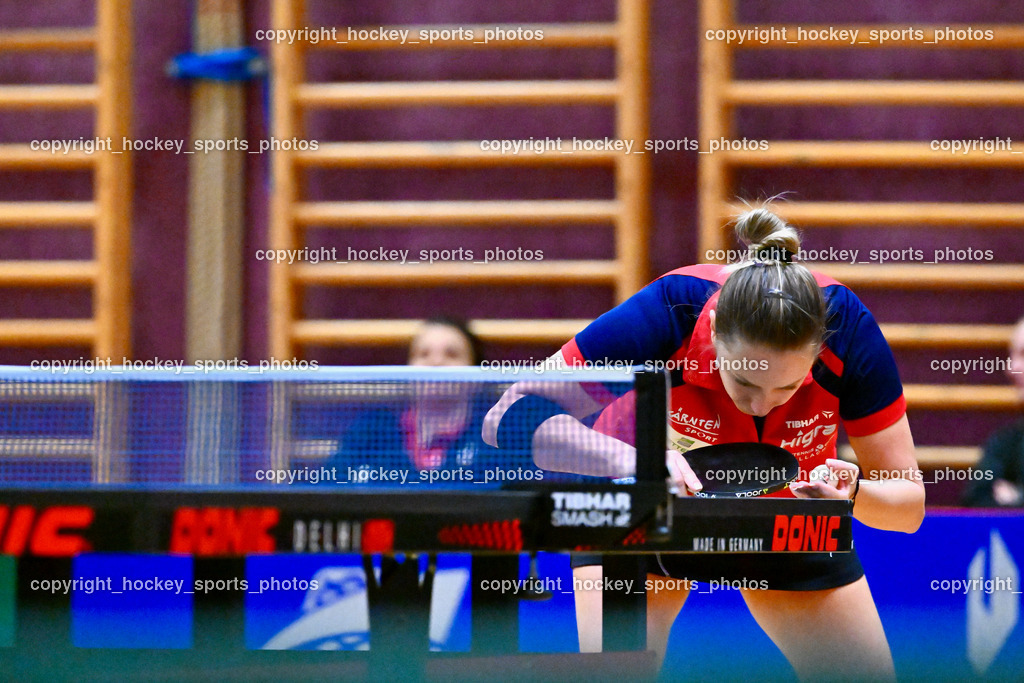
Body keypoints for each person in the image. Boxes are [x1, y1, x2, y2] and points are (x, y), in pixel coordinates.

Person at [483, 205, 925, 681]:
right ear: (713, 332)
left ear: (818, 351)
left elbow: (908, 508)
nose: (762, 406)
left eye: (787, 388)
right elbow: (507, 419)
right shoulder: (668, 311)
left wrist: (853, 494)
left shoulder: (849, 332)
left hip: (788, 524)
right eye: (745, 382)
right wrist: (641, 462)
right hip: (647, 518)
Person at [331, 316, 534, 486]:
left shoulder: (498, 439)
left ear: (478, 377)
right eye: (423, 354)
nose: (436, 362)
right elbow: (329, 488)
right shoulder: (373, 432)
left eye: (452, 354)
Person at [962, 315, 1024, 507]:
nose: (1012, 368)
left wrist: (1018, 498)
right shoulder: (1005, 443)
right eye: (1012, 355)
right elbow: (975, 501)